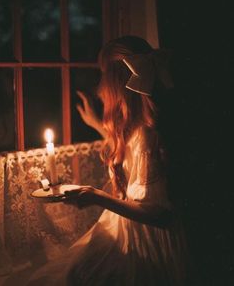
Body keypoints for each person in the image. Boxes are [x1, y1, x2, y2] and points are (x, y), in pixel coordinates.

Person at [27, 35, 187, 286]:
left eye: (103, 75)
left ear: (117, 82)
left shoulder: (147, 135)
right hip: (128, 231)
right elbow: (132, 159)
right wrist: (98, 126)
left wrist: (96, 196)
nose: (100, 85)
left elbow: (161, 215)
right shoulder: (137, 129)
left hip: (146, 244)